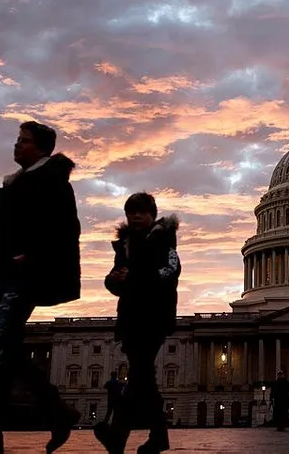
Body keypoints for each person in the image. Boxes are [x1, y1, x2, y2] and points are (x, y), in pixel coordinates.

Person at [0, 121, 82, 454]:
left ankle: (0, 427)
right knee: (4, 350)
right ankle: (37, 418)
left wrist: (27, 257)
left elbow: (66, 229)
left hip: (30, 273)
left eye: (24, 141)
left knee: (2, 341)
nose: (17, 145)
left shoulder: (53, 181)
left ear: (42, 148)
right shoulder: (17, 183)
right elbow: (7, 231)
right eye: (17, 140)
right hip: (10, 272)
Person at [94, 192, 180, 454]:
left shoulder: (163, 240)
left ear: (152, 214)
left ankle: (118, 435)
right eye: (131, 212)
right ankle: (156, 437)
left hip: (154, 317)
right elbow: (116, 278)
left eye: (141, 211)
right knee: (143, 379)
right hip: (130, 317)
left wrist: (133, 279)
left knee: (140, 374)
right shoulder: (125, 245)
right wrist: (114, 280)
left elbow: (170, 271)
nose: (136, 216)